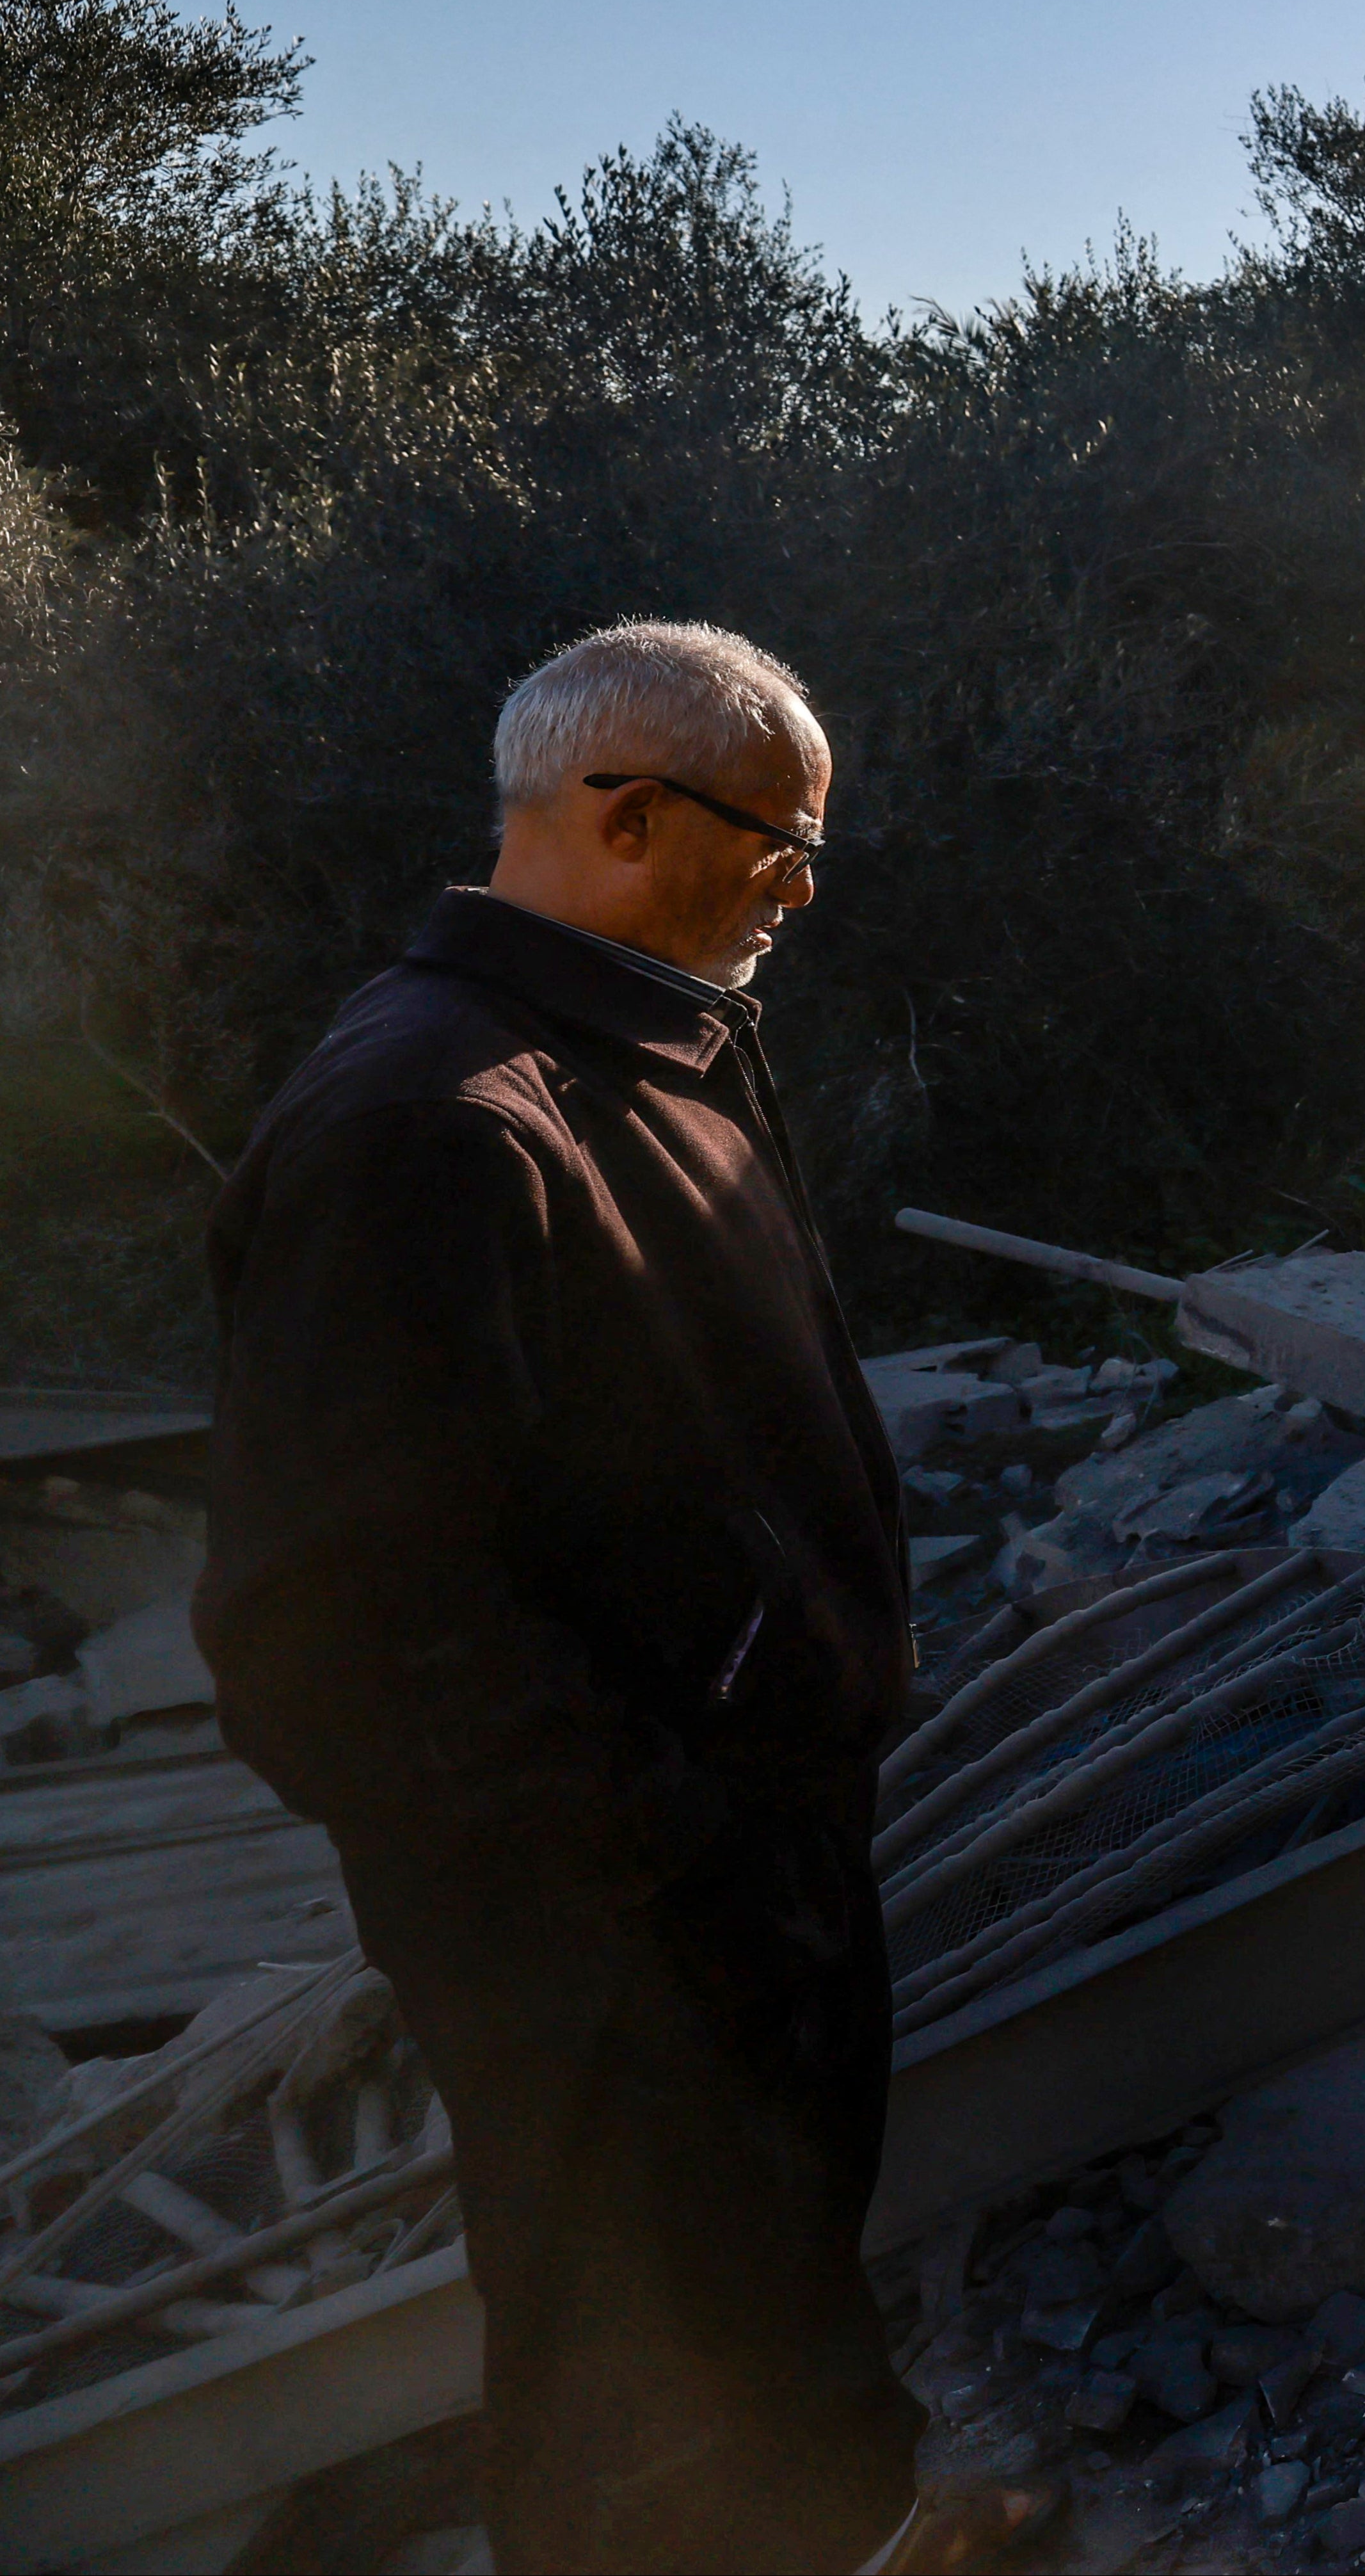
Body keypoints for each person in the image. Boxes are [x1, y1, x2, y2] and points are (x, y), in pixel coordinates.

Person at [193, 625, 1013, 2574]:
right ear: (625, 811)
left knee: (765, 2291)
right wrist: (652, 1844)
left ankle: (862, 2534)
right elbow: (339, 1629)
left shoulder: (639, 1039)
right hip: (611, 1921)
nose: (799, 891)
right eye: (780, 844)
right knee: (639, 2380)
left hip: (739, 1859)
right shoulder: (429, 1121)